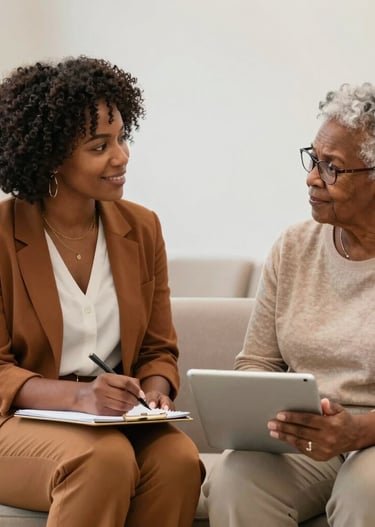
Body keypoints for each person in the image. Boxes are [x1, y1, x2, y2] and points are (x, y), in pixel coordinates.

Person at [0, 56, 204, 527]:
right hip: (17, 421)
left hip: (114, 419)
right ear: (51, 155)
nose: (122, 156)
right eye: (100, 146)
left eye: (122, 136)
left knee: (176, 460)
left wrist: (154, 395)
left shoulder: (142, 227)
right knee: (102, 459)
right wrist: (79, 398)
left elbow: (157, 348)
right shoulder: (3, 235)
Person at [203, 82, 375, 527]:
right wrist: (267, 411)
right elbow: (256, 361)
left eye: (332, 168)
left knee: (367, 492)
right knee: (236, 477)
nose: (312, 177)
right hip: (307, 437)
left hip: (372, 439)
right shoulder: (295, 246)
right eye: (313, 159)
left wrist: (358, 430)